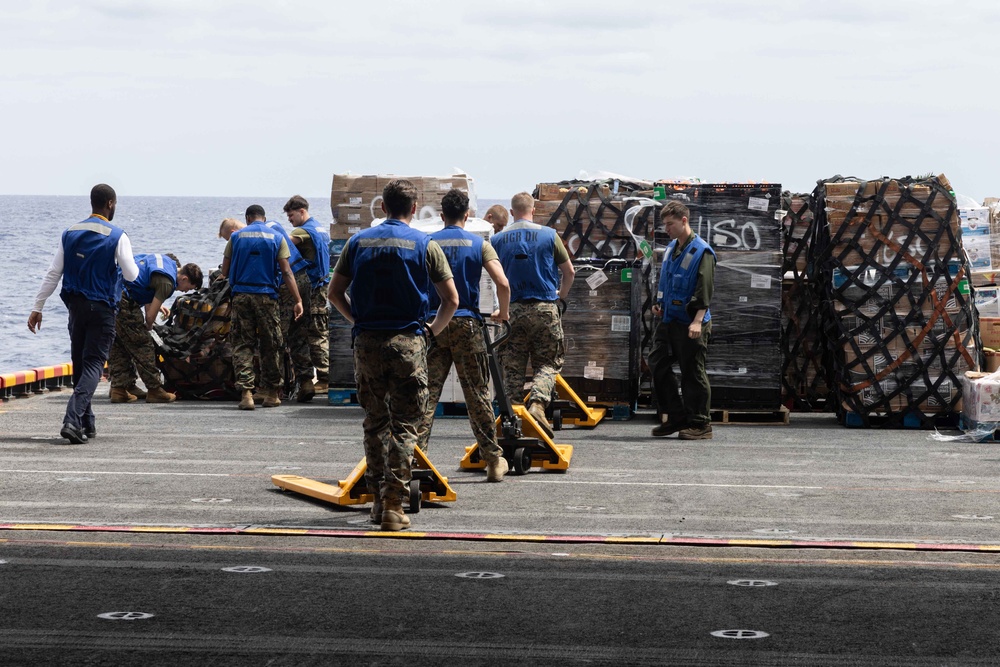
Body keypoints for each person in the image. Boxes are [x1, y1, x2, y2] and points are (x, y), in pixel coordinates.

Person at [328, 179, 459, 531]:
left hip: (368, 342)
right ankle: (392, 505)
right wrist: (432, 330)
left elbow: (334, 293)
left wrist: (358, 320)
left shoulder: (357, 242)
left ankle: (373, 502)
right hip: (408, 341)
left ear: (382, 206)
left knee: (375, 423)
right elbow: (452, 299)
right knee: (404, 426)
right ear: (413, 209)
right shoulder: (424, 244)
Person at [27, 184, 140, 444]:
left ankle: (87, 423)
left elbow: (53, 273)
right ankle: (72, 419)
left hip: (75, 308)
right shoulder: (118, 235)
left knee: (80, 364)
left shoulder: (70, 232)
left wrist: (37, 307)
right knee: (93, 366)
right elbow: (133, 275)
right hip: (102, 309)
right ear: (110, 203)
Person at [415, 189, 511, 482]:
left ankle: (416, 456)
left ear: (441, 216)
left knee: (426, 394)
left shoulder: (426, 243)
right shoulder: (479, 244)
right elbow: (502, 283)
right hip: (467, 324)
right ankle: (493, 460)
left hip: (434, 324)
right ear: (467, 215)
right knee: (477, 393)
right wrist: (502, 313)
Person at [490, 192, 575, 438]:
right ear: (534, 209)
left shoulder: (498, 239)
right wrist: (560, 298)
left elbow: (495, 280)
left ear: (512, 210)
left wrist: (501, 308)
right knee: (548, 363)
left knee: (513, 367)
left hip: (513, 311)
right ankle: (537, 404)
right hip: (545, 308)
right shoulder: (549, 235)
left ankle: (513, 420)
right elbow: (569, 272)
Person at [221, 205, 303, 410]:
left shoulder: (236, 237)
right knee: (271, 344)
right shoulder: (277, 237)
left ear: (248, 218)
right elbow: (287, 272)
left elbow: (224, 270)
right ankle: (271, 394)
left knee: (242, 344)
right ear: (264, 219)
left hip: (241, 296)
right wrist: (298, 300)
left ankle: (247, 394)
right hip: (267, 296)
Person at [648, 199, 716, 440]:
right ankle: (676, 416)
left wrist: (697, 320)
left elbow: (704, 289)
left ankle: (700, 424)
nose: (666, 229)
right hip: (669, 319)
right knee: (657, 362)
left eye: (670, 224)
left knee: (692, 372)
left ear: (684, 220)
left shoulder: (702, 251)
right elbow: (666, 279)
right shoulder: (671, 248)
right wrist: (659, 303)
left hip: (691, 322)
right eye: (664, 225)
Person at [108, 253, 203, 404]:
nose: (184, 292)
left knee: (119, 342)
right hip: (124, 300)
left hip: (111, 293)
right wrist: (148, 328)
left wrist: (155, 307)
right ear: (184, 279)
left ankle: (120, 388)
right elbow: (150, 319)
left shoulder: (165, 263)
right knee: (143, 344)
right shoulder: (167, 283)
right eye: (187, 288)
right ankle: (155, 390)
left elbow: (145, 288)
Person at [283, 195, 331, 402]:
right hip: (322, 287)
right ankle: (319, 377)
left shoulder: (302, 231)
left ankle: (324, 378)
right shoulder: (320, 229)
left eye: (291, 215)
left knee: (313, 334)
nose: (290, 220)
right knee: (318, 330)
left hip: (311, 288)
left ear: (302, 211)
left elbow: (282, 246)